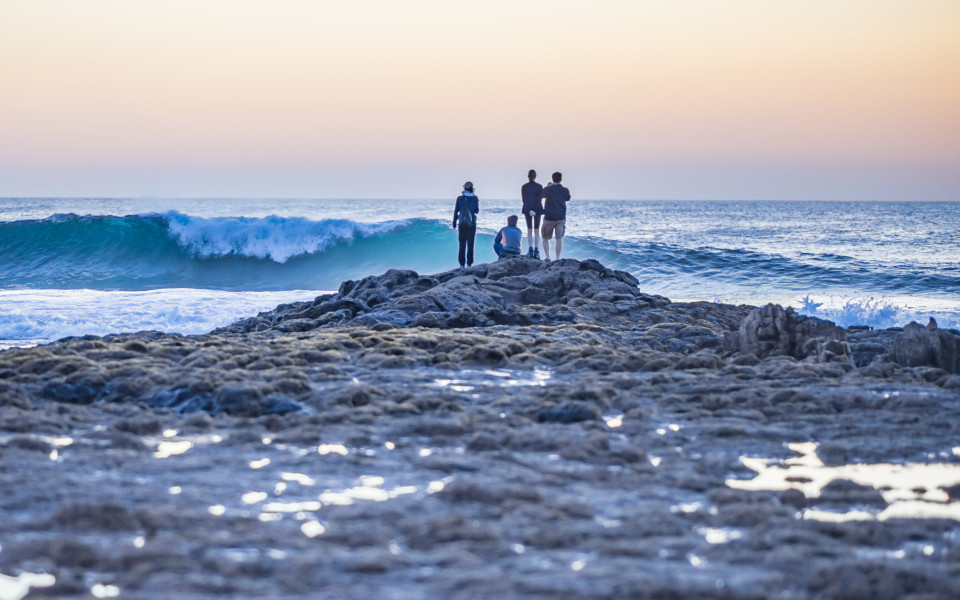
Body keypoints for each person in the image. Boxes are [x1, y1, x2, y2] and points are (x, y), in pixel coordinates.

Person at [540, 171, 570, 261]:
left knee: (545, 238)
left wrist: (549, 186)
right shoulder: (565, 190)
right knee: (559, 239)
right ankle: (557, 258)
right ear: (560, 179)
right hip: (561, 217)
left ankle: (548, 257)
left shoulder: (548, 189)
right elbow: (568, 198)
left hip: (549, 217)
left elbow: (541, 195)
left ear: (552, 179)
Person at [452, 181, 479, 268]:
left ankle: (461, 264)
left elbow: (456, 211)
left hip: (462, 224)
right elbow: (476, 211)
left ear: (464, 188)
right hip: (472, 224)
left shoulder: (459, 198)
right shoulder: (475, 198)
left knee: (462, 245)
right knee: (470, 245)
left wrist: (454, 223)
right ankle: (469, 264)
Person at [520, 170, 544, 258]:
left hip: (527, 208)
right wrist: (534, 209)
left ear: (528, 176)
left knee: (529, 229)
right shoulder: (539, 186)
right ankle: (536, 251)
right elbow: (539, 199)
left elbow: (524, 200)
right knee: (536, 229)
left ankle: (530, 250)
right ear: (535, 176)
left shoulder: (524, 186)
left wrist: (530, 209)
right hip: (537, 208)